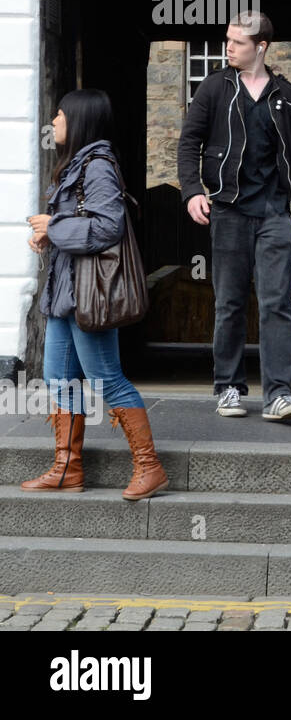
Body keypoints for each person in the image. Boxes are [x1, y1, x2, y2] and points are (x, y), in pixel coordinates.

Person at [22, 90, 167, 501]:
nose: (55, 120)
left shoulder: (98, 167)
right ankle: (67, 468)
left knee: (106, 379)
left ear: (81, 119)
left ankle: (149, 467)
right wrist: (50, 236)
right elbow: (81, 227)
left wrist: (55, 227)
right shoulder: (77, 166)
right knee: (58, 377)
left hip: (91, 295)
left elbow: (109, 228)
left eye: (62, 114)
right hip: (67, 292)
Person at [177, 12, 291, 422]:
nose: (229, 47)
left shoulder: (286, 95)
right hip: (229, 211)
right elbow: (189, 143)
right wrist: (191, 193)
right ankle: (229, 389)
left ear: (261, 47)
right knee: (230, 304)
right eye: (228, 40)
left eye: (237, 42)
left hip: (274, 212)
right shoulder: (214, 89)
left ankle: (278, 396)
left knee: (276, 304)